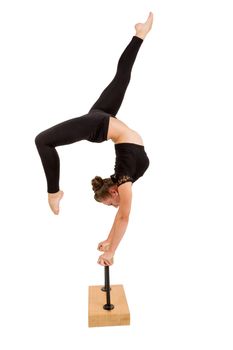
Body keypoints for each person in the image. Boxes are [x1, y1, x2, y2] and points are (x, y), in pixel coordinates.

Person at [35, 12, 154, 266]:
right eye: (111, 205)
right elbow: (121, 216)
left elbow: (122, 217)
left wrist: (111, 251)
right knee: (122, 77)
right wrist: (110, 243)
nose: (114, 207)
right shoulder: (125, 182)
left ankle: (53, 192)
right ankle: (139, 34)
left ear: (112, 191)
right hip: (103, 119)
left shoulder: (123, 181)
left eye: (110, 203)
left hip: (98, 125)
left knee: (43, 141)